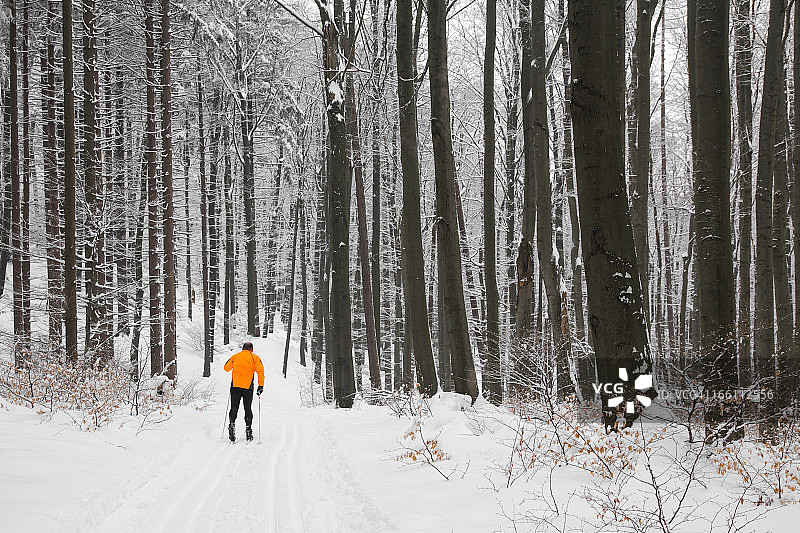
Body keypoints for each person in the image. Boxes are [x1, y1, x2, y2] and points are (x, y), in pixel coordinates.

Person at [224, 341, 264, 442]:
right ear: (252, 349)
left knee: (234, 407)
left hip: (235, 386)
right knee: (247, 408)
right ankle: (248, 431)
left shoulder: (236, 356)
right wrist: (261, 385)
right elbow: (260, 371)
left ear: (242, 349)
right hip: (248, 387)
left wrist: (231, 361)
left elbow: (226, 368)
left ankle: (232, 425)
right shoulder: (255, 358)